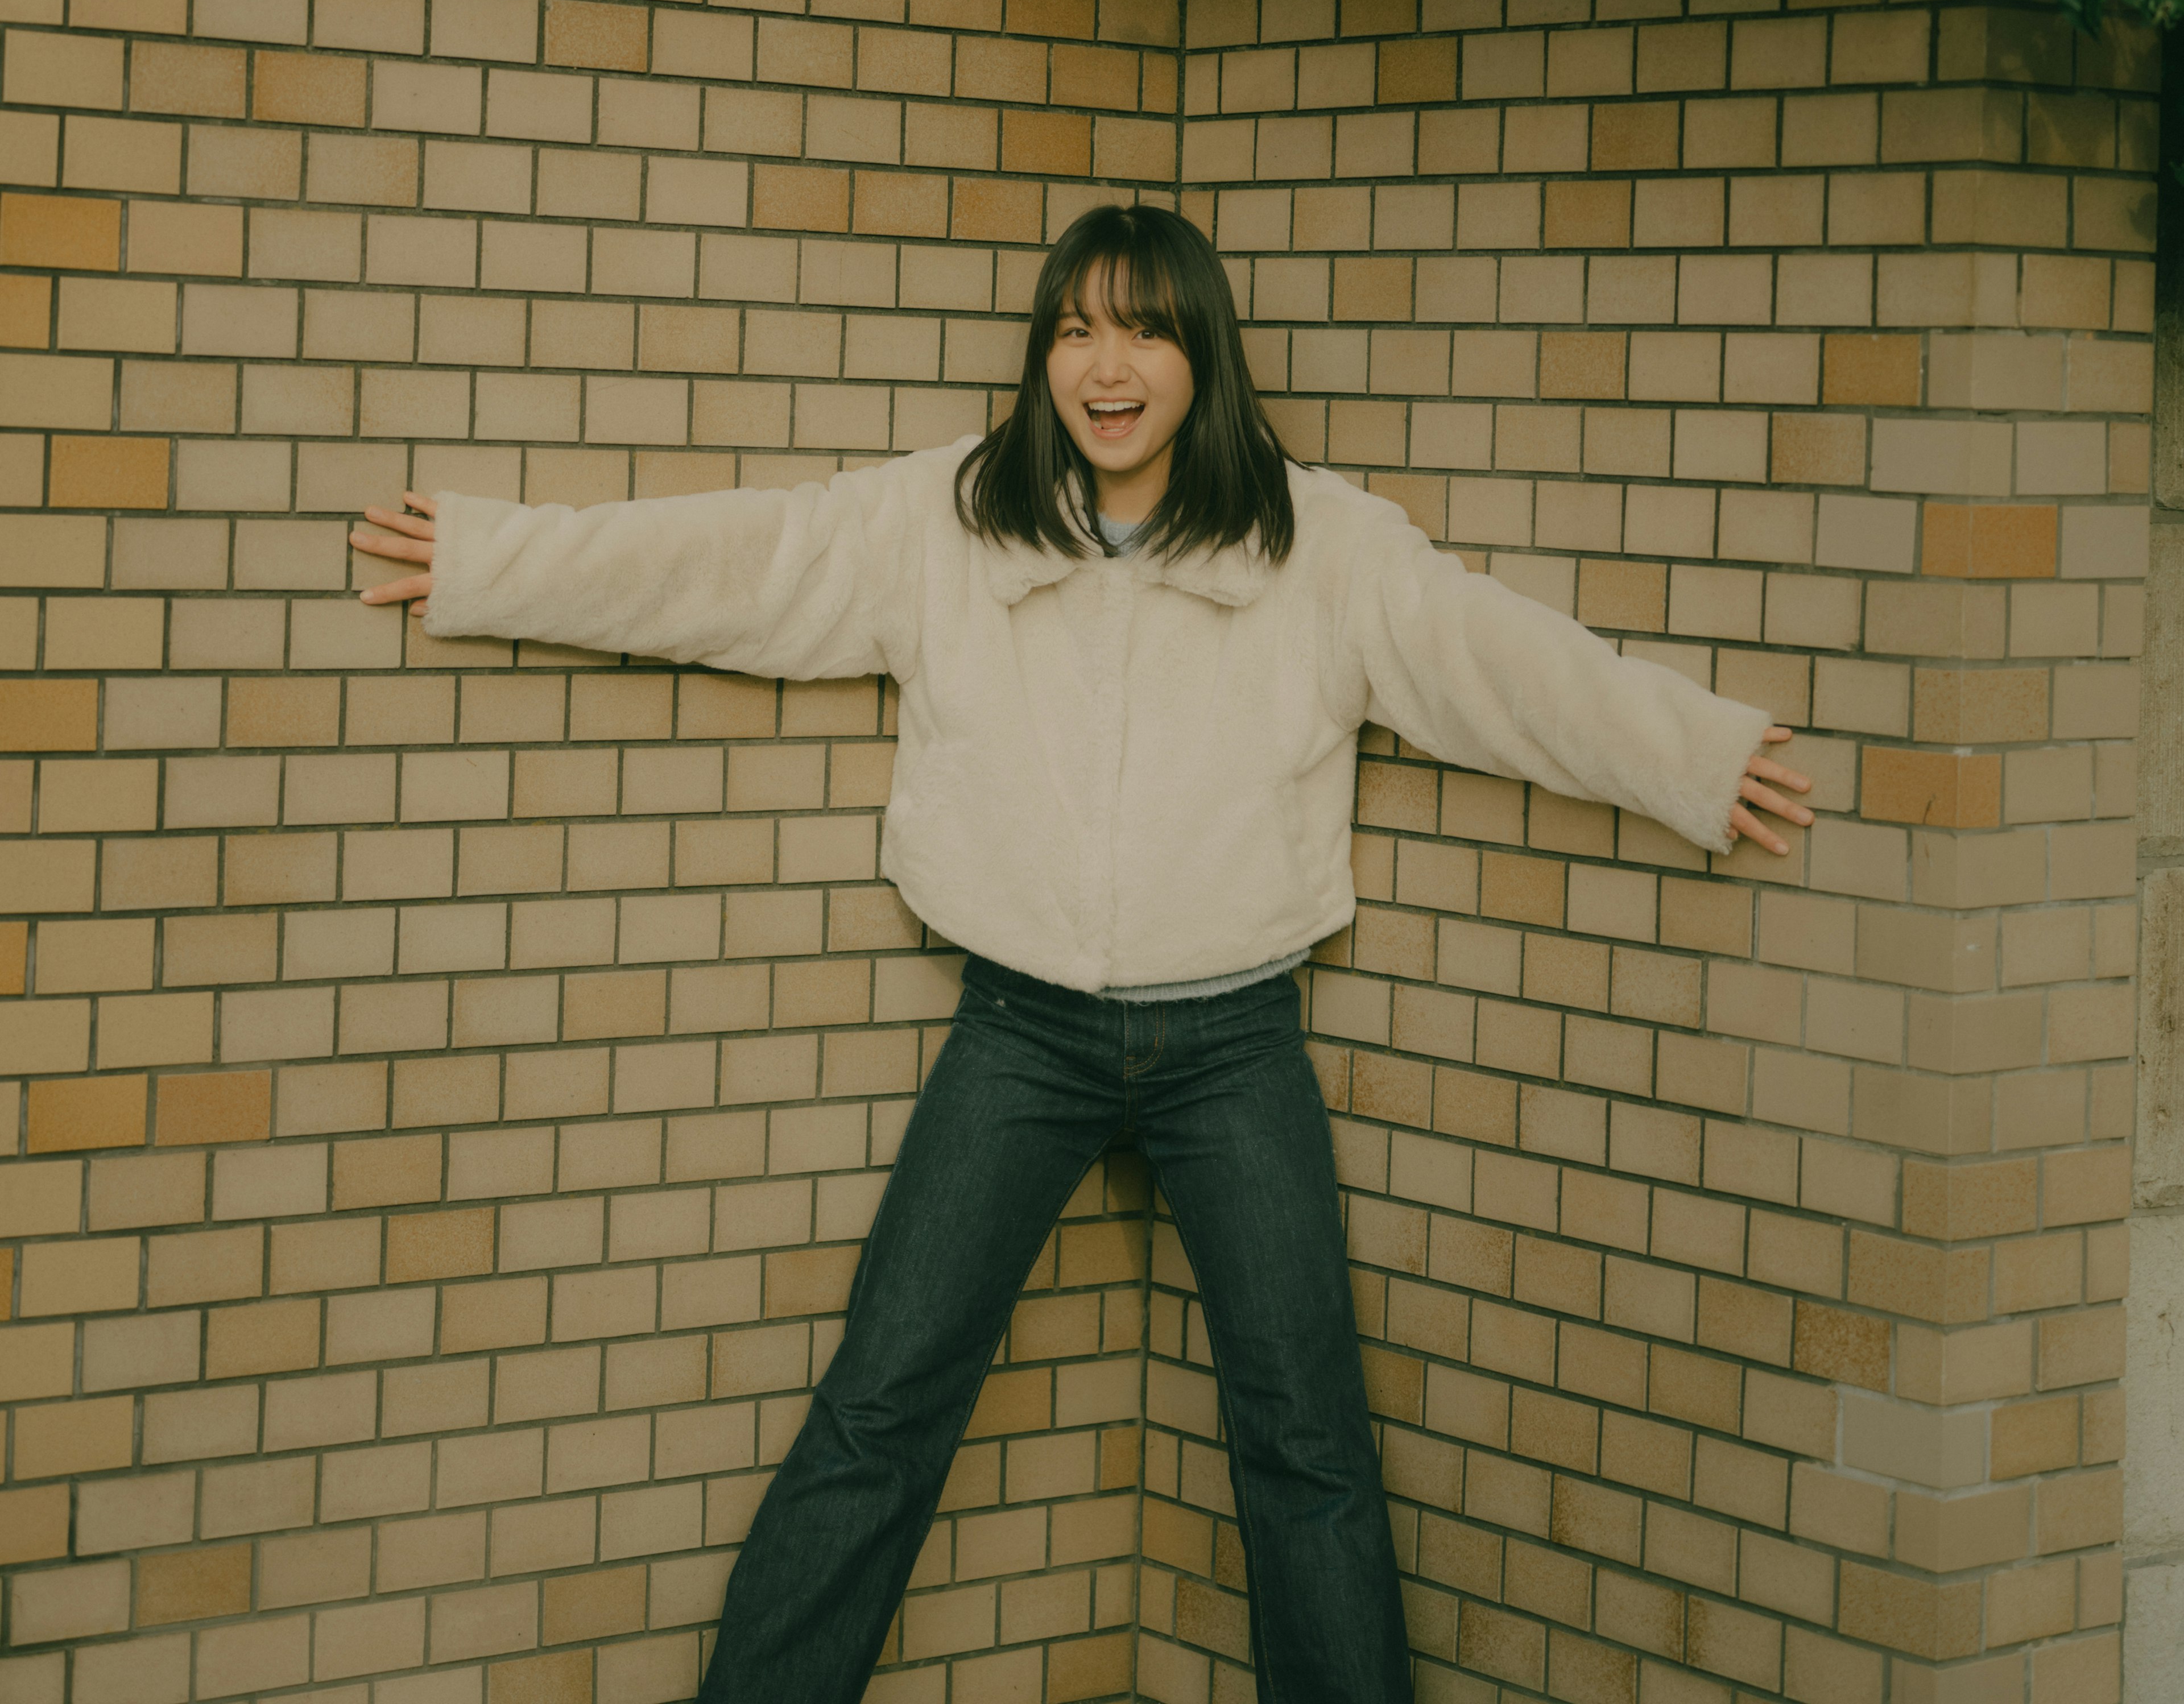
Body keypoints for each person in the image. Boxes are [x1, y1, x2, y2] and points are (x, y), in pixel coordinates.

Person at [350, 201, 1811, 1703]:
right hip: (1018, 1036)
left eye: (1145, 330)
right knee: (881, 1407)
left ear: (1202, 355)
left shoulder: (1321, 544)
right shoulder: (951, 518)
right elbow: (741, 565)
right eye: (1076, 329)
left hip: (1236, 1043)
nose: (1107, 366)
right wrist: (487, 563)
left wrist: (1691, 760)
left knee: (1308, 1437)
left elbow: (1500, 663)